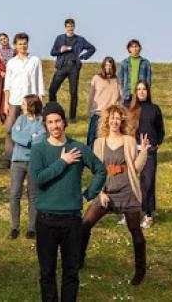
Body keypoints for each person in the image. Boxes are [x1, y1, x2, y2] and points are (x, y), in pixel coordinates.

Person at [29, 102, 106, 302]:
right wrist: (63, 162)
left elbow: (100, 170)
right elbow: (38, 179)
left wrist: (88, 195)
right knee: (47, 272)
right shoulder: (39, 150)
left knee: (71, 272)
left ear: (64, 122)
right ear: (45, 125)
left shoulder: (77, 148)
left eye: (58, 121)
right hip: (46, 219)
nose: (55, 126)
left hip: (71, 220)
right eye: (50, 122)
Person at [80, 104, 150, 286]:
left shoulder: (129, 141)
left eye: (118, 118)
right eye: (112, 118)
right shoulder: (99, 143)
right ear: (107, 120)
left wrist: (143, 151)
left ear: (122, 121)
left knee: (135, 231)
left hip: (127, 190)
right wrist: (100, 192)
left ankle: (140, 271)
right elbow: (97, 171)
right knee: (85, 224)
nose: (115, 121)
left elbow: (135, 168)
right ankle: (78, 260)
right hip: (106, 192)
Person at [3, 32, 45, 168]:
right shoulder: (11, 63)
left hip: (31, 100)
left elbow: (40, 80)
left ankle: (31, 156)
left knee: (32, 128)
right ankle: (8, 157)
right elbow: (7, 84)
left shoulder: (35, 61)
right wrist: (6, 103)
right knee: (10, 128)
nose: (22, 46)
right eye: (20, 44)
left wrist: (40, 98)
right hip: (15, 101)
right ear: (15, 45)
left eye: (25, 43)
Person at [128, 81, 165, 229]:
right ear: (135, 92)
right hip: (133, 151)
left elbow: (160, 129)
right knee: (131, 183)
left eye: (144, 89)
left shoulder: (155, 109)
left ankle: (148, 215)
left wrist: (156, 143)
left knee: (148, 183)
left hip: (149, 152)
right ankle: (130, 213)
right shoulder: (130, 109)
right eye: (139, 89)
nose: (141, 91)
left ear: (148, 91)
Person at [9, 94, 45, 240]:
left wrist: (25, 137)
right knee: (14, 194)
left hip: (33, 162)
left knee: (33, 195)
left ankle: (32, 228)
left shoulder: (41, 122)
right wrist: (30, 138)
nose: (21, 106)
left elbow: (40, 139)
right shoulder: (20, 119)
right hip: (17, 162)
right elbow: (14, 134)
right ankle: (14, 227)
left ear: (31, 106)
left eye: (24, 104)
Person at [48, 18, 96, 122]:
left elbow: (92, 48)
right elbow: (52, 52)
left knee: (73, 92)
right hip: (62, 66)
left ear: (74, 27)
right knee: (52, 89)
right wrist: (60, 50)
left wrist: (83, 57)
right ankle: (53, 112)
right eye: (68, 26)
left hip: (74, 67)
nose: (70, 28)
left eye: (72, 26)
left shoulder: (80, 39)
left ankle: (72, 117)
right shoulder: (60, 38)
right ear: (65, 27)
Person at [87, 56, 123, 148]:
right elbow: (91, 95)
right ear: (103, 66)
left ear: (113, 67)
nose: (108, 67)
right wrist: (89, 109)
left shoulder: (116, 80)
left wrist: (117, 108)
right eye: (106, 65)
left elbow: (121, 96)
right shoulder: (96, 78)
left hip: (109, 115)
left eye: (110, 66)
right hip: (97, 114)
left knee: (106, 141)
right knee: (92, 140)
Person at [0, 32, 15, 124]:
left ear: (8, 38)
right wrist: (0, 72)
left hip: (11, 77)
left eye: (4, 38)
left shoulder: (14, 52)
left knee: (8, 95)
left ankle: (8, 114)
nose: (3, 40)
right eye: (1, 40)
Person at [118, 39, 152, 106]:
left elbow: (148, 80)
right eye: (132, 47)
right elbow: (120, 79)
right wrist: (123, 92)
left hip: (140, 94)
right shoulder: (124, 63)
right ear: (129, 49)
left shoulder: (146, 62)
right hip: (128, 95)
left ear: (140, 48)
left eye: (136, 46)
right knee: (127, 112)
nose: (134, 48)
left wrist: (146, 92)